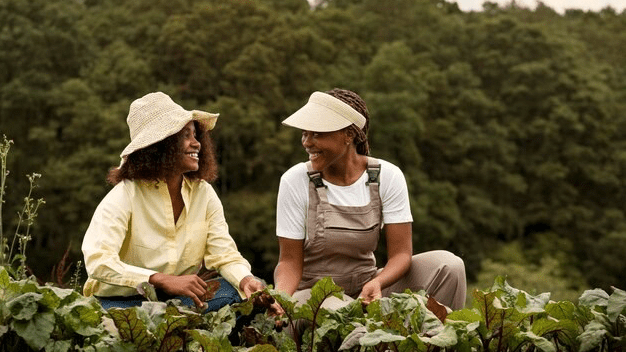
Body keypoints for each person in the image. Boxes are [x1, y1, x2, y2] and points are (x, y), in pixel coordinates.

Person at [274, 89, 467, 312]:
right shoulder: (294, 180)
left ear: (348, 135)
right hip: (314, 295)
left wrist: (378, 282)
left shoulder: (387, 175)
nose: (307, 143)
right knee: (338, 310)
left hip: (367, 285)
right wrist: (279, 299)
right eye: (304, 134)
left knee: (450, 266)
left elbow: (402, 254)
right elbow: (289, 263)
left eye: (317, 134)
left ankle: (429, 344)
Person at [81, 91, 265, 313]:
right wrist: (158, 279)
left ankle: (177, 323)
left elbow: (224, 253)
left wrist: (245, 280)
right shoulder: (125, 195)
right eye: (185, 136)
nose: (196, 143)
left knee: (238, 293)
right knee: (132, 323)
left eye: (196, 135)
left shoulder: (203, 194)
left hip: (177, 301)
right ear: (160, 144)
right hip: (122, 303)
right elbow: (98, 261)